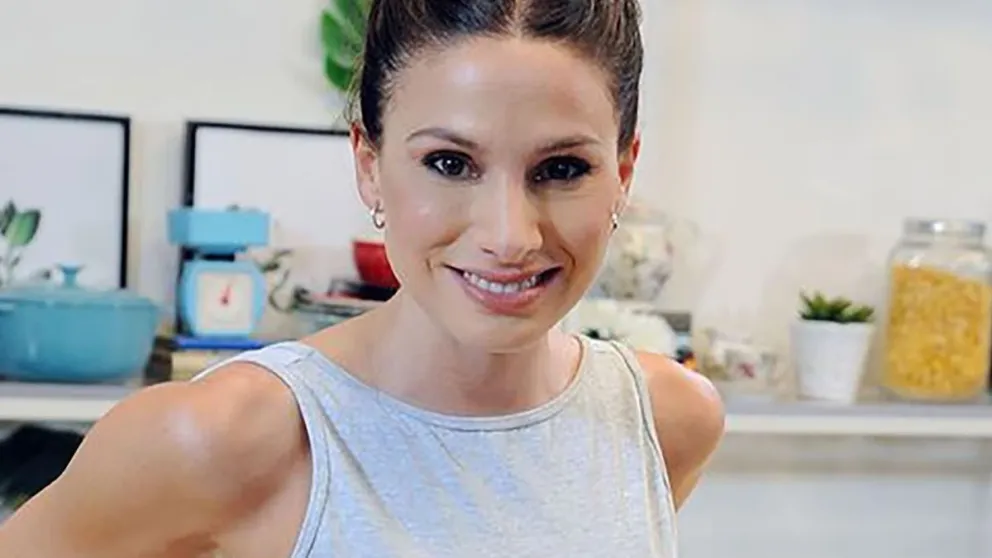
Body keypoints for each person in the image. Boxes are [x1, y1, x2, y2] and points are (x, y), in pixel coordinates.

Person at [0, 0, 724, 556]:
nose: (510, 236)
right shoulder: (222, 439)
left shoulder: (668, 420)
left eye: (562, 168)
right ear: (369, 165)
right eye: (450, 163)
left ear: (623, 171)